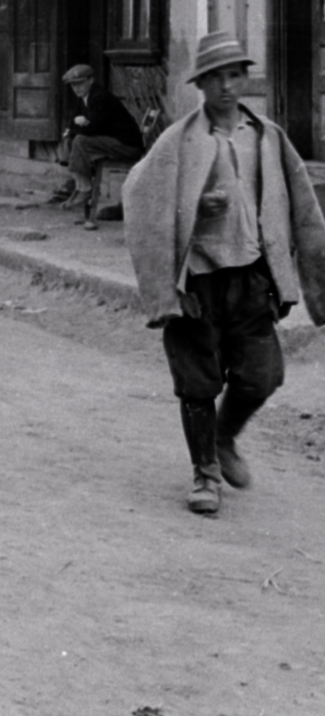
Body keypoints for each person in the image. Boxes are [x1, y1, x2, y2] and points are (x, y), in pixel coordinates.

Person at [123, 31, 325, 516]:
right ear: (201, 85)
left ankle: (224, 436)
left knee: (263, 375)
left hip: (253, 276)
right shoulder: (180, 141)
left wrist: (315, 281)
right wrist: (191, 207)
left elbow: (304, 209)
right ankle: (205, 474)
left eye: (235, 75)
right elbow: (139, 196)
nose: (228, 87)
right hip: (197, 279)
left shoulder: (267, 137)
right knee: (197, 382)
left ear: (245, 78)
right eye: (216, 78)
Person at [60, 62, 144, 225]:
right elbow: (74, 122)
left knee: (81, 141)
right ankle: (81, 186)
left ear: (91, 80)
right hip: (111, 142)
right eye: (73, 85)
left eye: (80, 83)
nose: (76, 88)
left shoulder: (100, 97)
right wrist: (71, 130)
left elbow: (93, 128)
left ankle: (84, 188)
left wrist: (76, 129)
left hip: (127, 146)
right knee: (72, 138)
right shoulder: (84, 98)